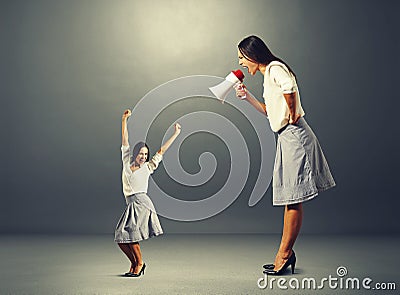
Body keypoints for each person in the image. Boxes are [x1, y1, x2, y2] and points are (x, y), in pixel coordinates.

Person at [235, 35, 336, 275]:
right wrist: (247, 97)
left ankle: (284, 254)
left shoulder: (274, 68)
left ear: (252, 55)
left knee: (292, 198)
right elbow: (270, 112)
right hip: (286, 136)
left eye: (241, 57)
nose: (240, 62)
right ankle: (285, 254)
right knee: (291, 197)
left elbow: (290, 88)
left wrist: (292, 114)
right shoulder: (268, 75)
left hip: (294, 136)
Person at [114, 109, 181, 277]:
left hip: (142, 203)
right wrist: (124, 120)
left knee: (130, 236)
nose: (144, 156)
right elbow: (124, 141)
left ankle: (140, 264)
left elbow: (162, 151)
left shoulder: (148, 167)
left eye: (146, 154)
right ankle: (135, 263)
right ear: (135, 154)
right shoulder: (126, 161)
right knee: (121, 237)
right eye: (141, 154)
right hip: (131, 203)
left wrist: (176, 134)